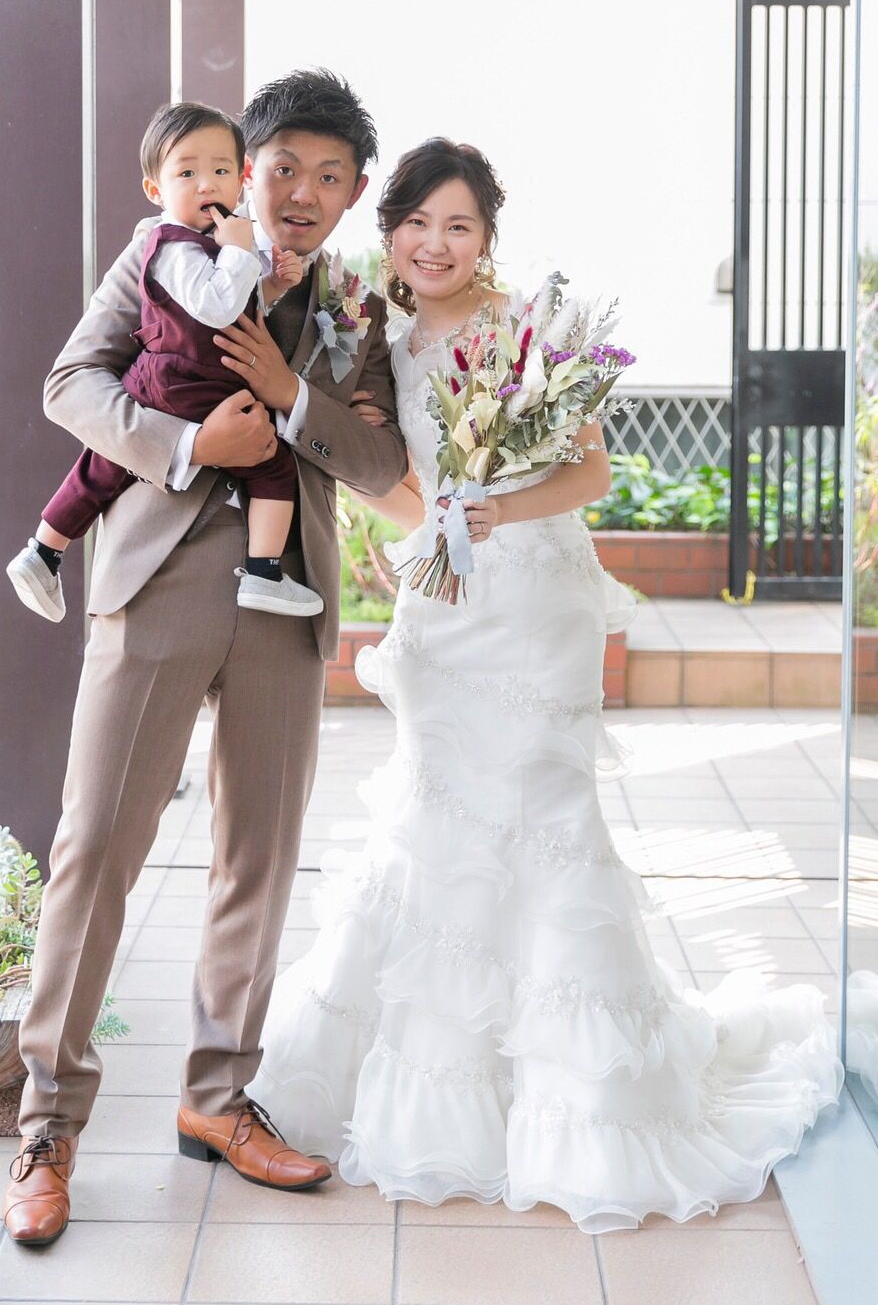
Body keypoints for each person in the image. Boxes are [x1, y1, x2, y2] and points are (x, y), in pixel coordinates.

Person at [250, 136, 843, 1233]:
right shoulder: (378, 340)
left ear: (487, 236)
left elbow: (594, 468)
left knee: (543, 817)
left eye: (458, 225)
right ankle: (440, 1087)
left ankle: (583, 1104)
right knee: (438, 817)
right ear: (389, 232)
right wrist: (422, 522)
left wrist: (494, 511)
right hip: (444, 605)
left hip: (533, 605)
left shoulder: (529, 326)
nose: (435, 244)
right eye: (417, 224)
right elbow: (395, 481)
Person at [3, 70, 409, 1248]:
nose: (301, 192)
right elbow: (71, 383)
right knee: (96, 849)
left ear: (354, 193)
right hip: (157, 578)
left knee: (258, 858)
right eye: (283, 167)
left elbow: (381, 464)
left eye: (329, 176)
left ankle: (218, 1100)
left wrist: (292, 400)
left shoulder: (357, 308)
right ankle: (47, 1124)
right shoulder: (158, 253)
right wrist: (187, 442)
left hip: (287, 597)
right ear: (245, 166)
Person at [4, 101, 322, 622]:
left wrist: (271, 283)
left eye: (220, 171)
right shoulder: (175, 246)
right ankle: (264, 572)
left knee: (104, 465)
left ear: (242, 177)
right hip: (189, 381)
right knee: (272, 465)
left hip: (172, 379)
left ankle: (43, 552)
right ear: (156, 189)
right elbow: (216, 307)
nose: (207, 184)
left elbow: (238, 302)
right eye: (187, 173)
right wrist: (239, 253)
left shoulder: (210, 244)